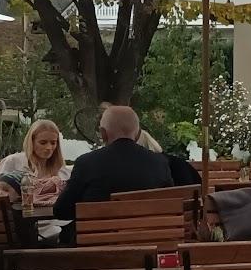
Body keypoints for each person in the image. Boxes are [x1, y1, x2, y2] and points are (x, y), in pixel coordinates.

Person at [53, 105, 172, 244]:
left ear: (103, 133)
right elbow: (168, 205)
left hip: (95, 250)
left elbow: (61, 211)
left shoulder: (86, 163)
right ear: (138, 133)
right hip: (148, 245)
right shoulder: (159, 162)